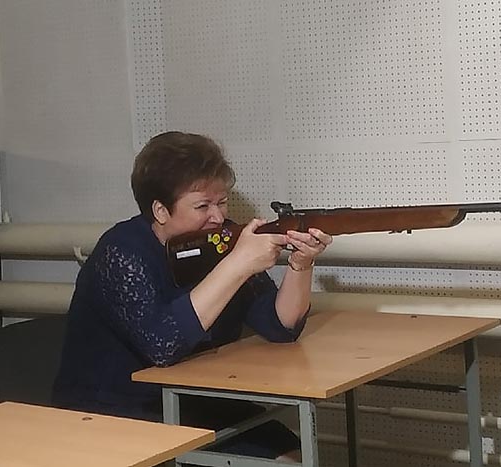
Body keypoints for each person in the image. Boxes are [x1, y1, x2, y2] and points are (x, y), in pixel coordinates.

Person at [52, 131, 332, 460]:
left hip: (196, 401)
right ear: (160, 210)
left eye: (222, 202)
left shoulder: (216, 238)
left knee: (293, 456)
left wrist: (301, 263)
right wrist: (237, 265)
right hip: (114, 414)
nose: (218, 217)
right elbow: (163, 344)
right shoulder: (121, 252)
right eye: (202, 206)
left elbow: (280, 325)